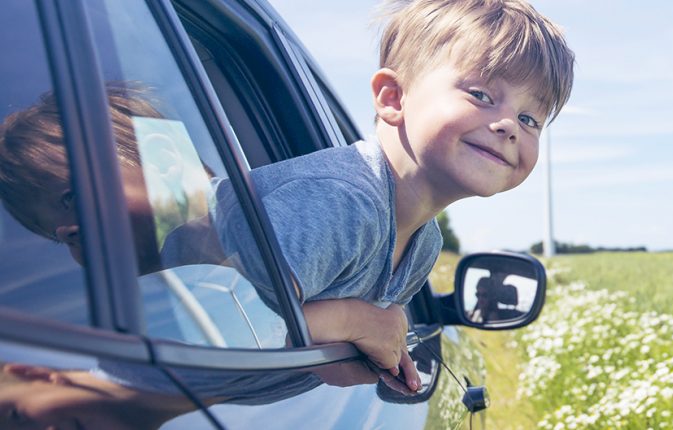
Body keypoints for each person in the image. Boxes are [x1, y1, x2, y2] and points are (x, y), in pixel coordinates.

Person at [207, 0, 574, 390]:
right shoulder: (343, 201)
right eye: (481, 95)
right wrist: (357, 321)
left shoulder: (424, 241)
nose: (507, 125)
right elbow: (222, 329)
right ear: (393, 98)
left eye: (529, 119)